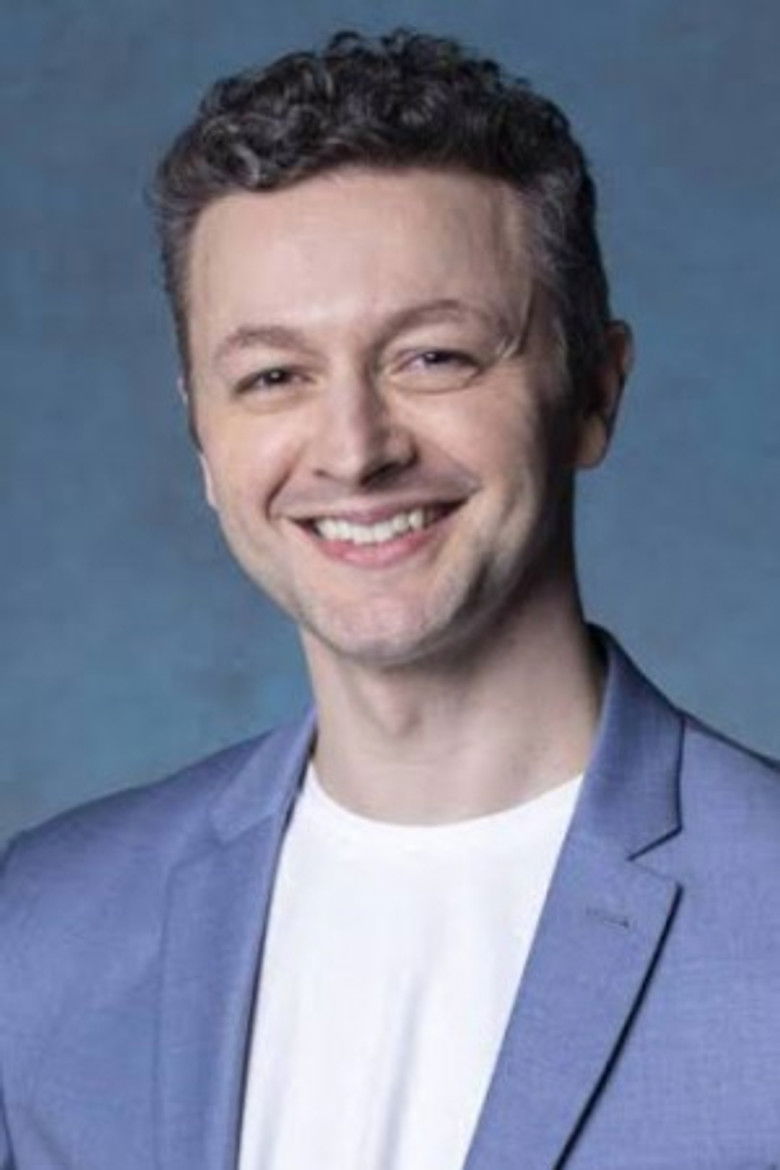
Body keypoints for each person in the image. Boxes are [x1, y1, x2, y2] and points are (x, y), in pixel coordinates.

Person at [1, 28, 778, 1170]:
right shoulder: (37, 932)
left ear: (595, 395)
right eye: (274, 376)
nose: (355, 450)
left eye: (434, 357)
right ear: (202, 437)